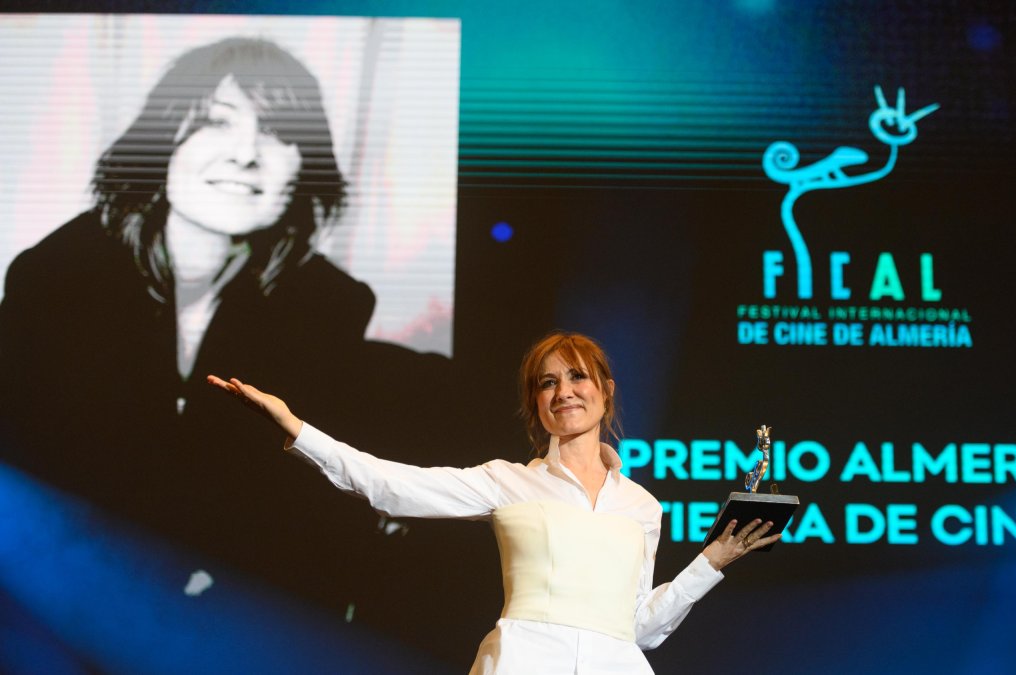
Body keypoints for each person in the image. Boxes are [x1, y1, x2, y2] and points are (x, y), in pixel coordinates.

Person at [0, 36, 446, 614]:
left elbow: (288, 497)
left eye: (279, 133)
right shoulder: (56, 276)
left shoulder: (329, 305)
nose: (246, 154)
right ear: (162, 142)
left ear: (305, 167)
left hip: (226, 605)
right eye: (214, 122)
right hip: (54, 589)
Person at [208, 331, 781, 674]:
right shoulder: (508, 481)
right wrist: (297, 429)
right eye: (547, 382)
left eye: (578, 377)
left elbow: (638, 628)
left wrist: (712, 562)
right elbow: (388, 486)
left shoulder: (642, 507)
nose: (564, 392)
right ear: (537, 404)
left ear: (605, 391)